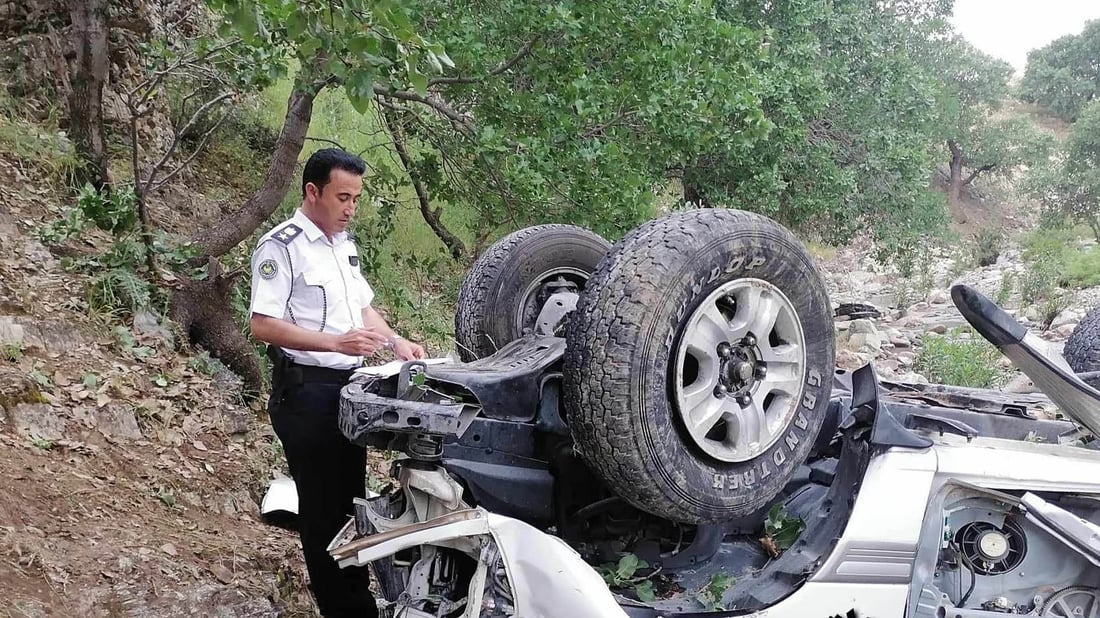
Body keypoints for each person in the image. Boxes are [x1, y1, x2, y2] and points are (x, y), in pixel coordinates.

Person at [249, 148, 425, 617]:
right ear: (313, 192)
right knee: (324, 512)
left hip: (346, 390)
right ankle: (344, 608)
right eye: (342, 197)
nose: (350, 209)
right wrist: (334, 344)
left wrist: (396, 342)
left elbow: (363, 309)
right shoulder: (281, 246)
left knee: (349, 502)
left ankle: (356, 599)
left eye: (356, 199)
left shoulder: (341, 244)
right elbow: (262, 324)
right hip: (306, 391)